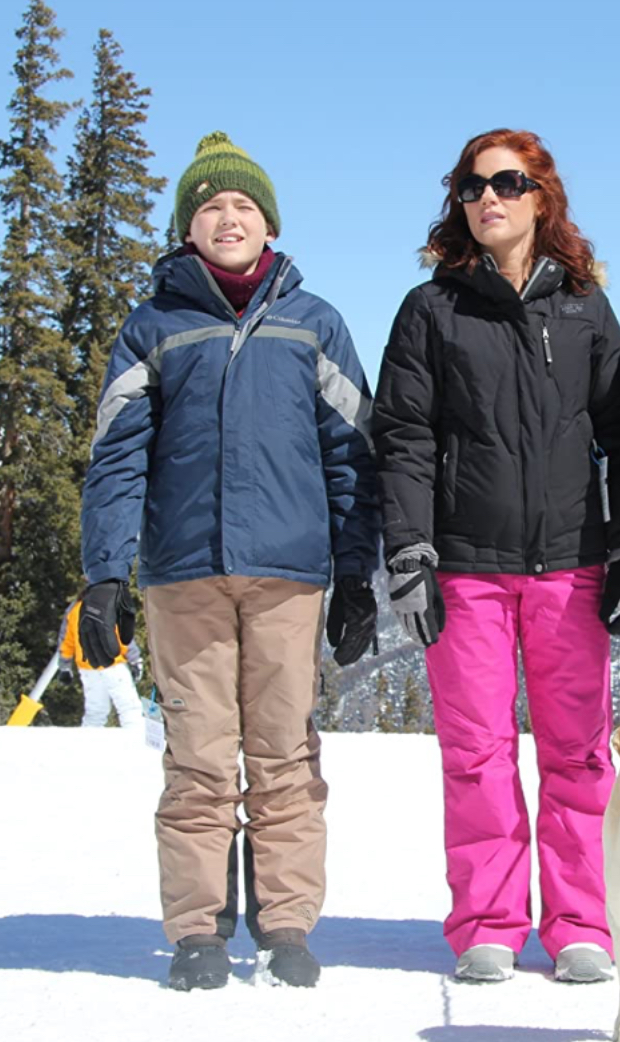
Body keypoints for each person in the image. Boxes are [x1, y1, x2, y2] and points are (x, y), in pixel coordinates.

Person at [79, 131, 380, 991]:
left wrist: (355, 573)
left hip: (290, 573)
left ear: (269, 223)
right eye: (210, 205)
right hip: (183, 573)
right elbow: (116, 455)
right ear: (187, 228)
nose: (227, 217)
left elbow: (351, 454)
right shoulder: (155, 326)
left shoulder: (311, 321)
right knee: (199, 758)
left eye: (243, 204)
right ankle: (198, 929)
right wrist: (107, 572)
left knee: (286, 754)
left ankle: (286, 923)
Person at [372, 128, 620, 985]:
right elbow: (405, 439)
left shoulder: (585, 307)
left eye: (507, 182)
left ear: (541, 197)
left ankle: (580, 924)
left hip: (571, 563)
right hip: (465, 567)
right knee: (476, 753)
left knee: (580, 754)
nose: (487, 198)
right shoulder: (432, 309)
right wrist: (410, 551)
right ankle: (488, 921)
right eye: (470, 186)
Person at [56, 589, 144, 728]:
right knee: (129, 707)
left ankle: (89, 744)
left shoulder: (74, 610)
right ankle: (135, 740)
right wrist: (134, 659)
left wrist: (65, 666)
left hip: (88, 668)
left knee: (95, 712)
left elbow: (66, 640)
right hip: (112, 664)